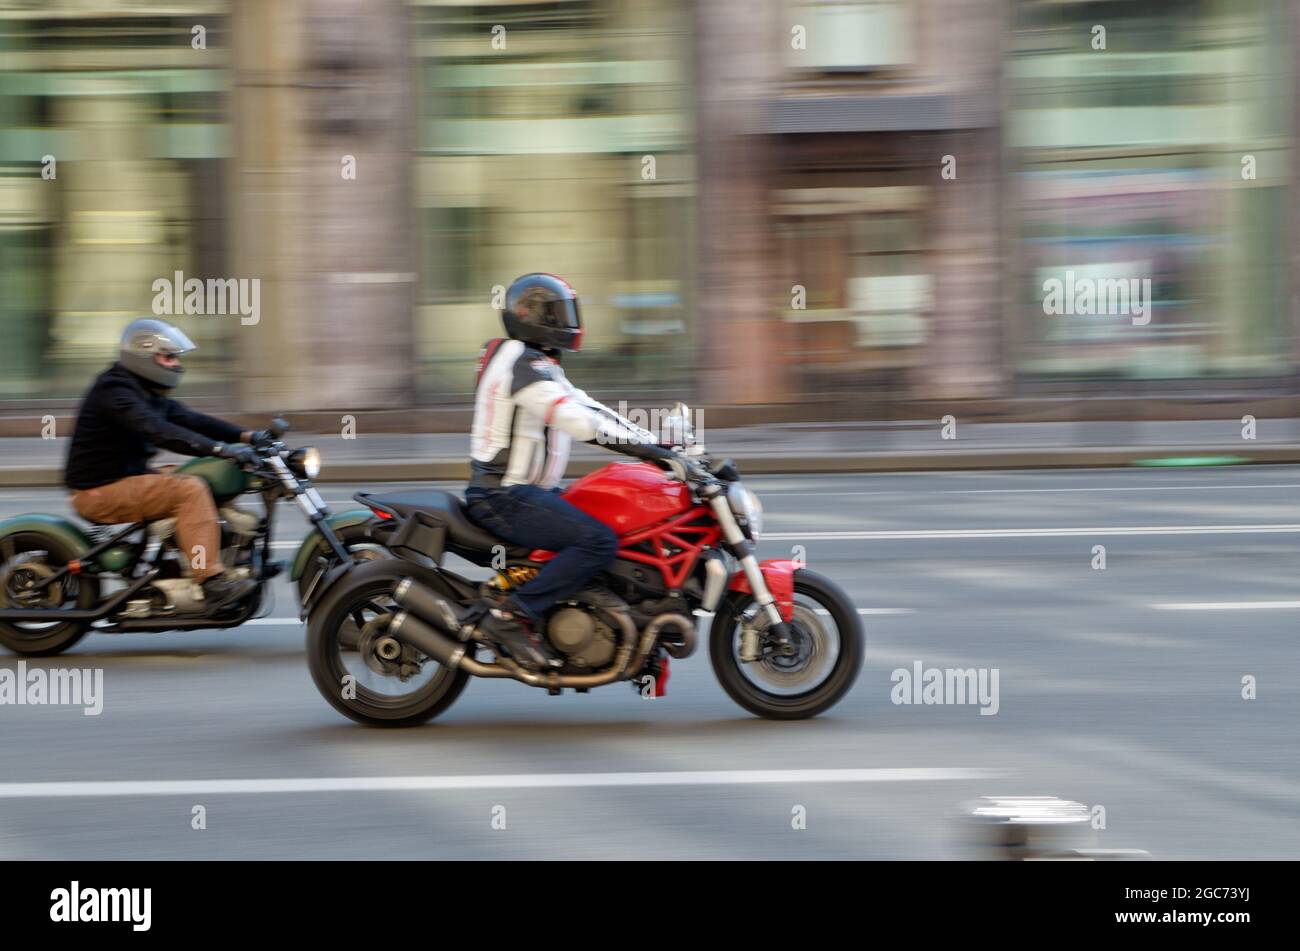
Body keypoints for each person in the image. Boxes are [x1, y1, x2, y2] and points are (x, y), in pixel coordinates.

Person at [464, 273, 688, 671]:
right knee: (598, 542)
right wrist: (647, 452)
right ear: (532, 317)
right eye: (557, 313)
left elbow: (590, 407)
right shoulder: (523, 366)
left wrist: (657, 446)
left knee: (609, 523)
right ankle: (511, 616)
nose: (567, 321)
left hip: (528, 492)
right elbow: (578, 422)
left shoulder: (534, 360)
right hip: (505, 497)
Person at [63, 318, 268, 615]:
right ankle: (210, 579)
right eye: (168, 357)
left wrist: (247, 436)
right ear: (143, 356)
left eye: (175, 358)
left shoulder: (146, 390)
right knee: (189, 490)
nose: (175, 365)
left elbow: (190, 420)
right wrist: (221, 449)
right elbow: (157, 429)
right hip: (99, 489)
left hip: (127, 478)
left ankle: (225, 555)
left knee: (203, 476)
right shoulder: (116, 390)